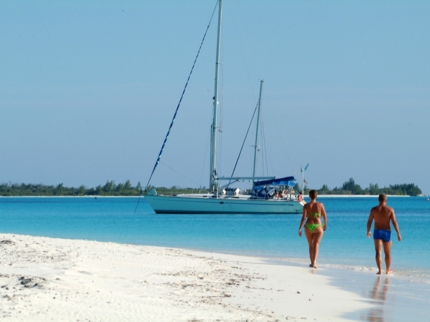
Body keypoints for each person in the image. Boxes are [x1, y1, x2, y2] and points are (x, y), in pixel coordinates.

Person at [367, 194, 402, 275]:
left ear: (378, 200)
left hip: (377, 231)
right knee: (387, 252)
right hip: (387, 232)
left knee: (378, 252)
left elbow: (369, 221)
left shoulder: (374, 210)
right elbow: (394, 222)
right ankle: (387, 270)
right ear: (386, 200)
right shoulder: (390, 210)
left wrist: (368, 231)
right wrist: (398, 233)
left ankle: (379, 270)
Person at [298, 190, 327, 268]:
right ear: (316, 196)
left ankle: (311, 262)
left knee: (311, 245)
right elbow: (324, 216)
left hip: (308, 226)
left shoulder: (306, 206)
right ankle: (314, 262)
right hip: (318, 226)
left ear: (309, 196)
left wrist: (300, 228)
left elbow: (303, 218)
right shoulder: (320, 205)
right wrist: (325, 225)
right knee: (316, 245)